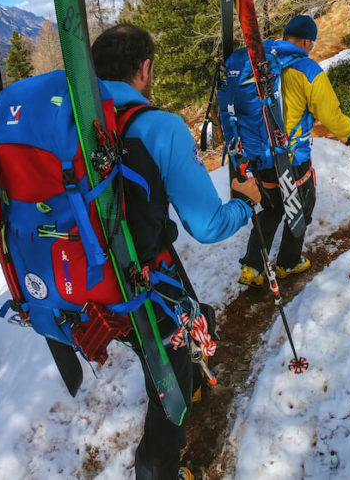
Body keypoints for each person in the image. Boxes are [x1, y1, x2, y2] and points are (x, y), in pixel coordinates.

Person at [91, 24, 261, 480]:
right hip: (140, 280)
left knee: (190, 318)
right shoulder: (158, 127)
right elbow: (206, 225)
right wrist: (245, 203)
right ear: (144, 69)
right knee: (167, 386)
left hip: (87, 279)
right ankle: (158, 469)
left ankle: (189, 376)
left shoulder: (73, 126)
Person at [236, 14, 350, 287]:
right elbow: (336, 123)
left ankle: (251, 267)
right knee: (300, 205)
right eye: (311, 44)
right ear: (304, 41)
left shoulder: (259, 64)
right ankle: (288, 263)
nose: (311, 49)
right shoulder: (308, 70)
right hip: (292, 157)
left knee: (270, 207)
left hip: (259, 155)